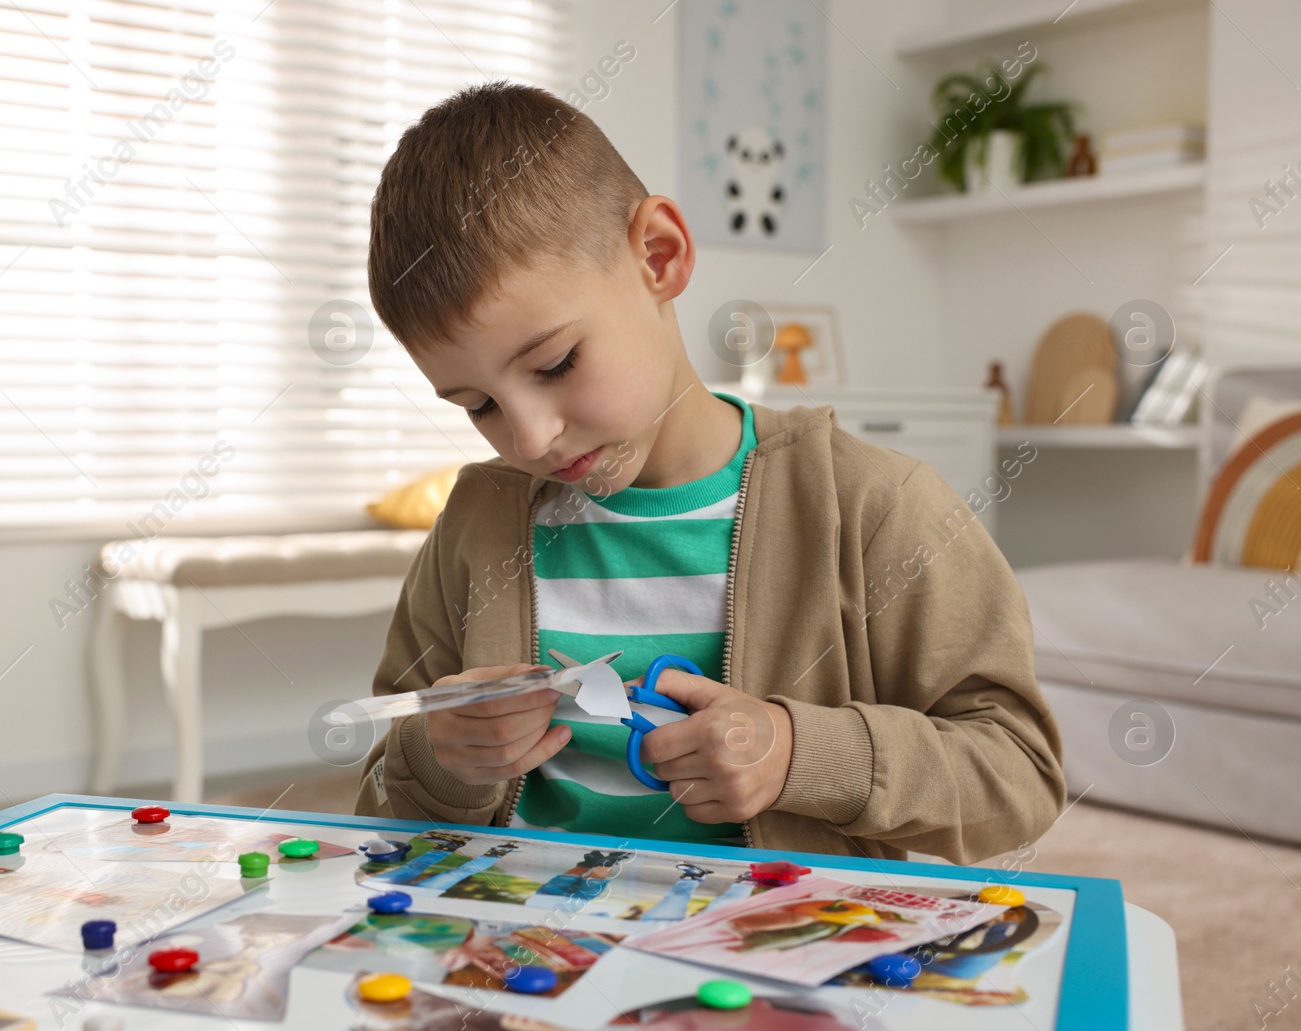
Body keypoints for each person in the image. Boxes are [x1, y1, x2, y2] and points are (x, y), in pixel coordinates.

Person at [352, 82, 1063, 863]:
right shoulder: (475, 527)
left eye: (555, 363)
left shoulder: (876, 507)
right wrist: (438, 756)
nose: (530, 438)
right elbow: (381, 800)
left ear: (660, 255)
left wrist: (799, 752)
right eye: (477, 404)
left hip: (771, 953)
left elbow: (1019, 775)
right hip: (524, 952)